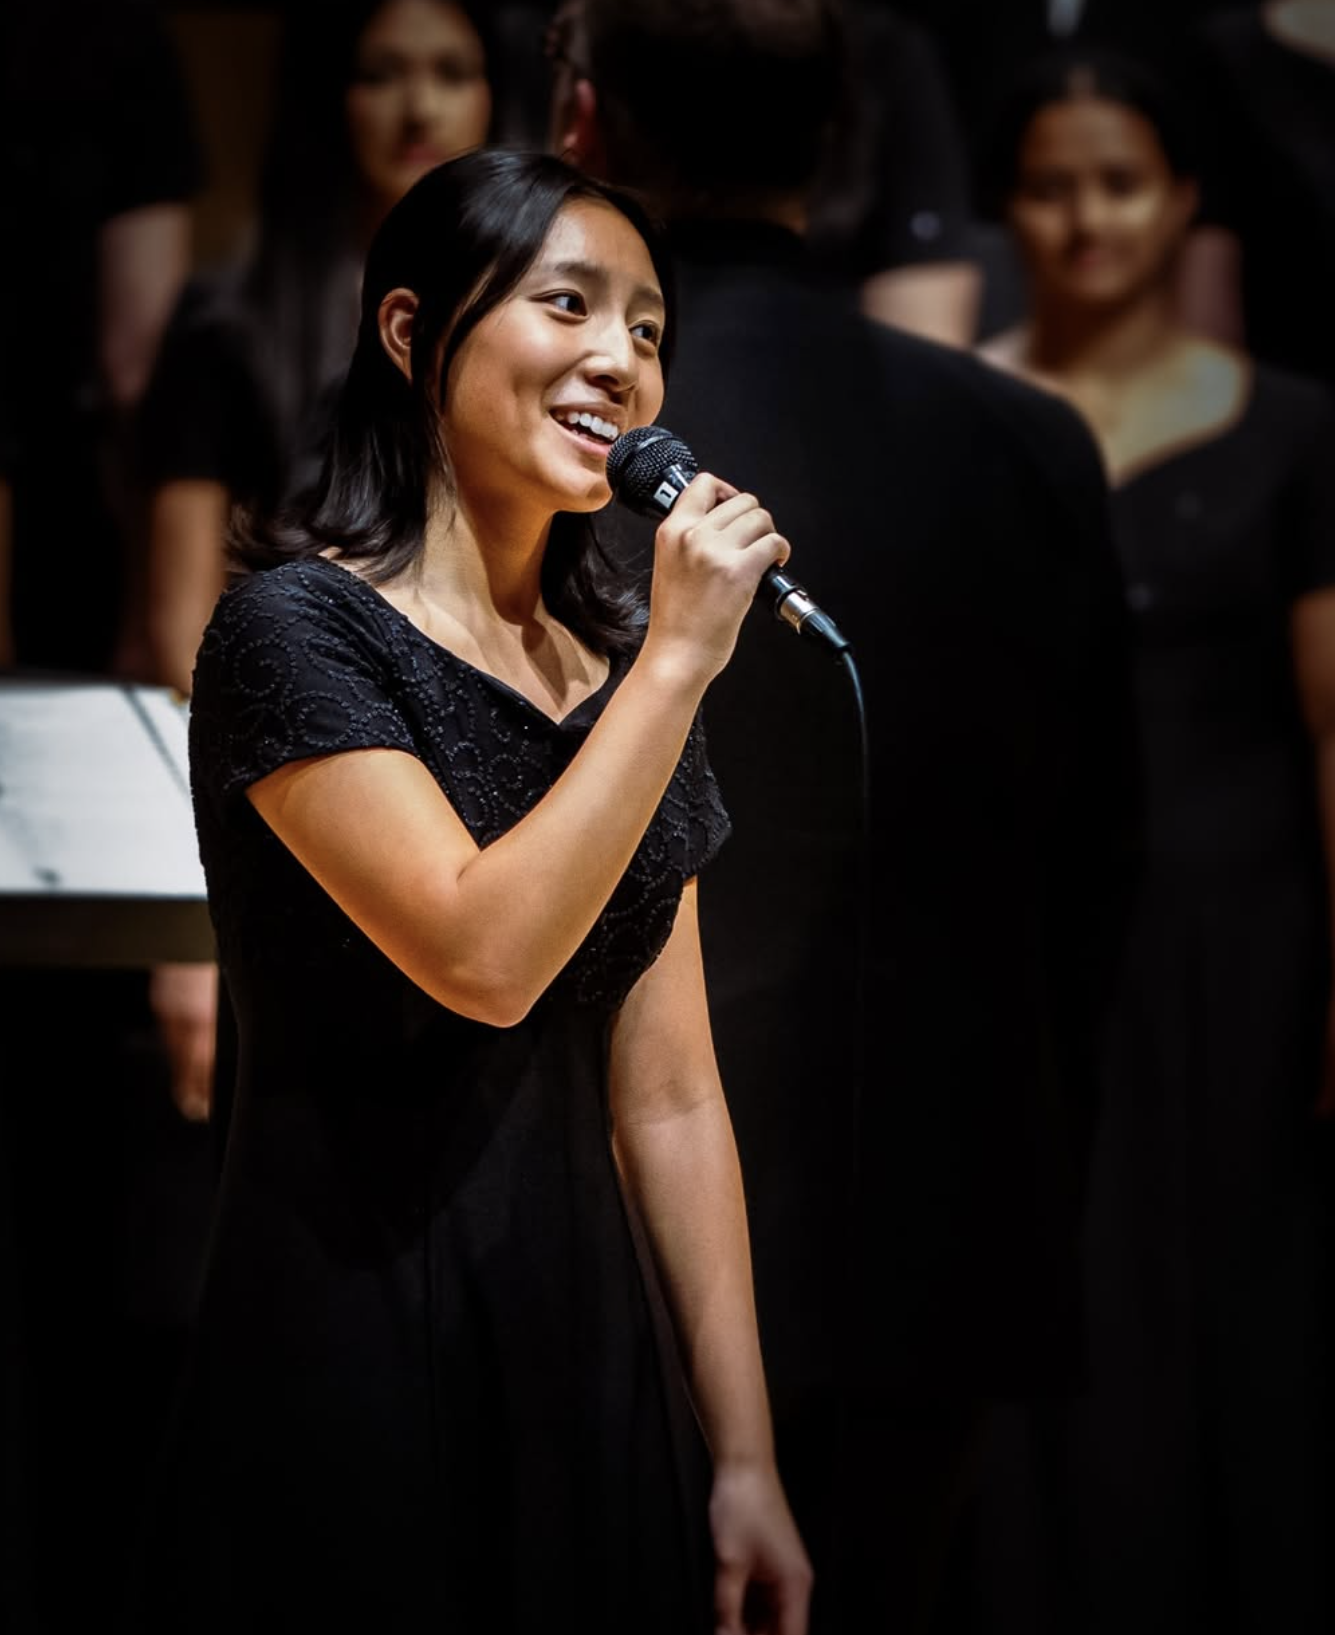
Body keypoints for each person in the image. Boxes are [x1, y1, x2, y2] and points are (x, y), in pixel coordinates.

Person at [131, 147, 812, 1635]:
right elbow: (480, 955)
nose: (619, 359)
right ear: (409, 331)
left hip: (580, 1351)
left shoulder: (622, 677)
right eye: (569, 304)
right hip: (349, 1342)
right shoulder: (293, 633)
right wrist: (676, 665)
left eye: (646, 327)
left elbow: (671, 1095)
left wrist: (744, 1455)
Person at [548, 3, 1141, 1630]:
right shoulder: (1031, 444)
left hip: (598, 1239)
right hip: (943, 1231)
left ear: (580, 130)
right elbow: (1100, 875)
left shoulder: (542, 452)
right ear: (844, 144)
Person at [973, 45, 1335, 1633]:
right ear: (1005, 205)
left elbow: (1329, 724)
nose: (1085, 219)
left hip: (1236, 925)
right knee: (1054, 1272)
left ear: (1182, 197)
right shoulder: (967, 409)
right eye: (1050, 186)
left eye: (1117, 182)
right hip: (1020, 935)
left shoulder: (1291, 426)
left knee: (1236, 1276)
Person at [136, 0, 498, 1128]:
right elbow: (178, 633)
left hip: (483, 820)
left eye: (452, 70)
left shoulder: (529, 336)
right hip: (284, 814)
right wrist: (192, 918)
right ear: (324, 101)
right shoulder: (232, 321)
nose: (421, 106)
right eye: (381, 73)